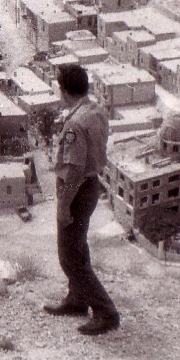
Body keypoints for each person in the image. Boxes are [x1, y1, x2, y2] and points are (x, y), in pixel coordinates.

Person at [44, 65, 119, 336]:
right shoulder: (95, 111)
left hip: (76, 190)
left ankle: (105, 311)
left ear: (64, 91)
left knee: (69, 258)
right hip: (90, 187)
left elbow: (74, 168)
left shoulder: (75, 123)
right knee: (78, 248)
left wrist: (64, 205)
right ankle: (77, 299)